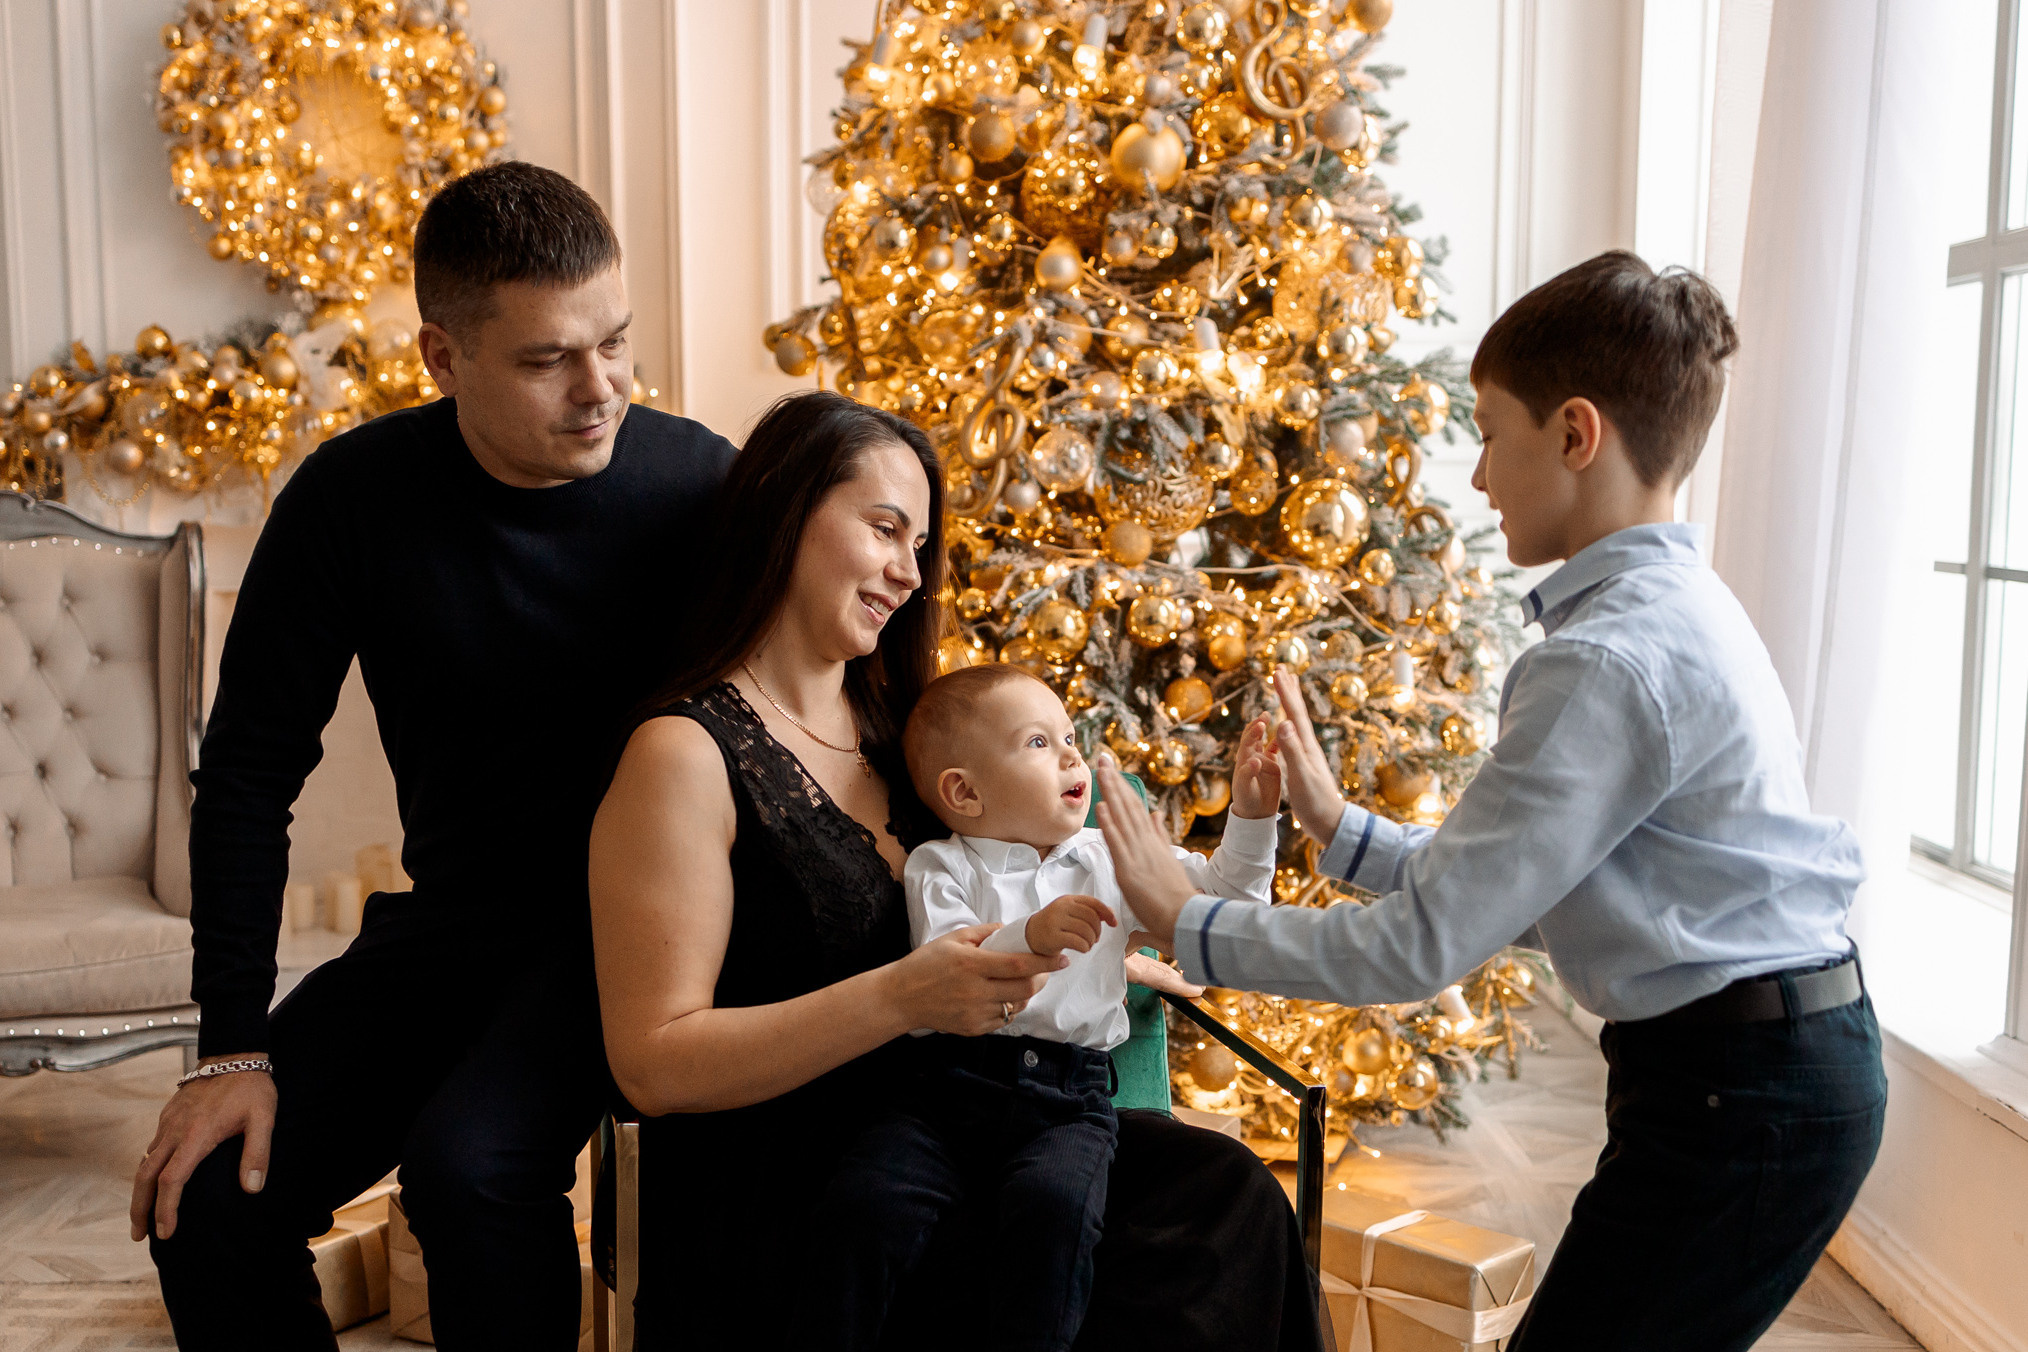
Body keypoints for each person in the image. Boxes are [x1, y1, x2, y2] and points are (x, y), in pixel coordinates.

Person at [1096, 251, 1886, 1352]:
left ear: (1574, 434)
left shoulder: (1606, 659)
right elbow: (1529, 886)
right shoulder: (1672, 608)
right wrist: (1337, 827)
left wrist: (1184, 918)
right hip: (1755, 1073)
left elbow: (1418, 949)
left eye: (1486, 429)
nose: (1476, 476)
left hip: (1741, 1093)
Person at [132, 162, 737, 1351]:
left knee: (467, 1166)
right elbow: (249, 772)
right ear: (441, 357)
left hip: (643, 944)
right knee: (204, 1198)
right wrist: (230, 1044)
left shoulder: (704, 483)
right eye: (546, 358)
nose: (599, 387)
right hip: (453, 928)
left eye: (615, 342)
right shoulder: (349, 500)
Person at [590, 389, 1326, 1352]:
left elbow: (1013, 890)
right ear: (784, 510)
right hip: (814, 1183)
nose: (907, 571)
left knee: (1230, 1197)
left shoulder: (906, 733)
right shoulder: (685, 752)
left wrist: (1105, 955)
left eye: (919, 544)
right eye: (885, 529)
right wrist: (900, 999)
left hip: (990, 1119)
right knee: (1142, 1267)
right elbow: (651, 1063)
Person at [787, 663, 1282, 1352]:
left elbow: (1224, 909)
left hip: (1067, 1100)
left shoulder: (1114, 860)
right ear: (964, 792)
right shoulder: (944, 864)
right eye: (1038, 742)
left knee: (1055, 1211)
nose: (1073, 753)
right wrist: (1031, 934)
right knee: (863, 1206)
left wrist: (1253, 821)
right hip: (946, 1092)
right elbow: (947, 964)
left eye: (1071, 735)